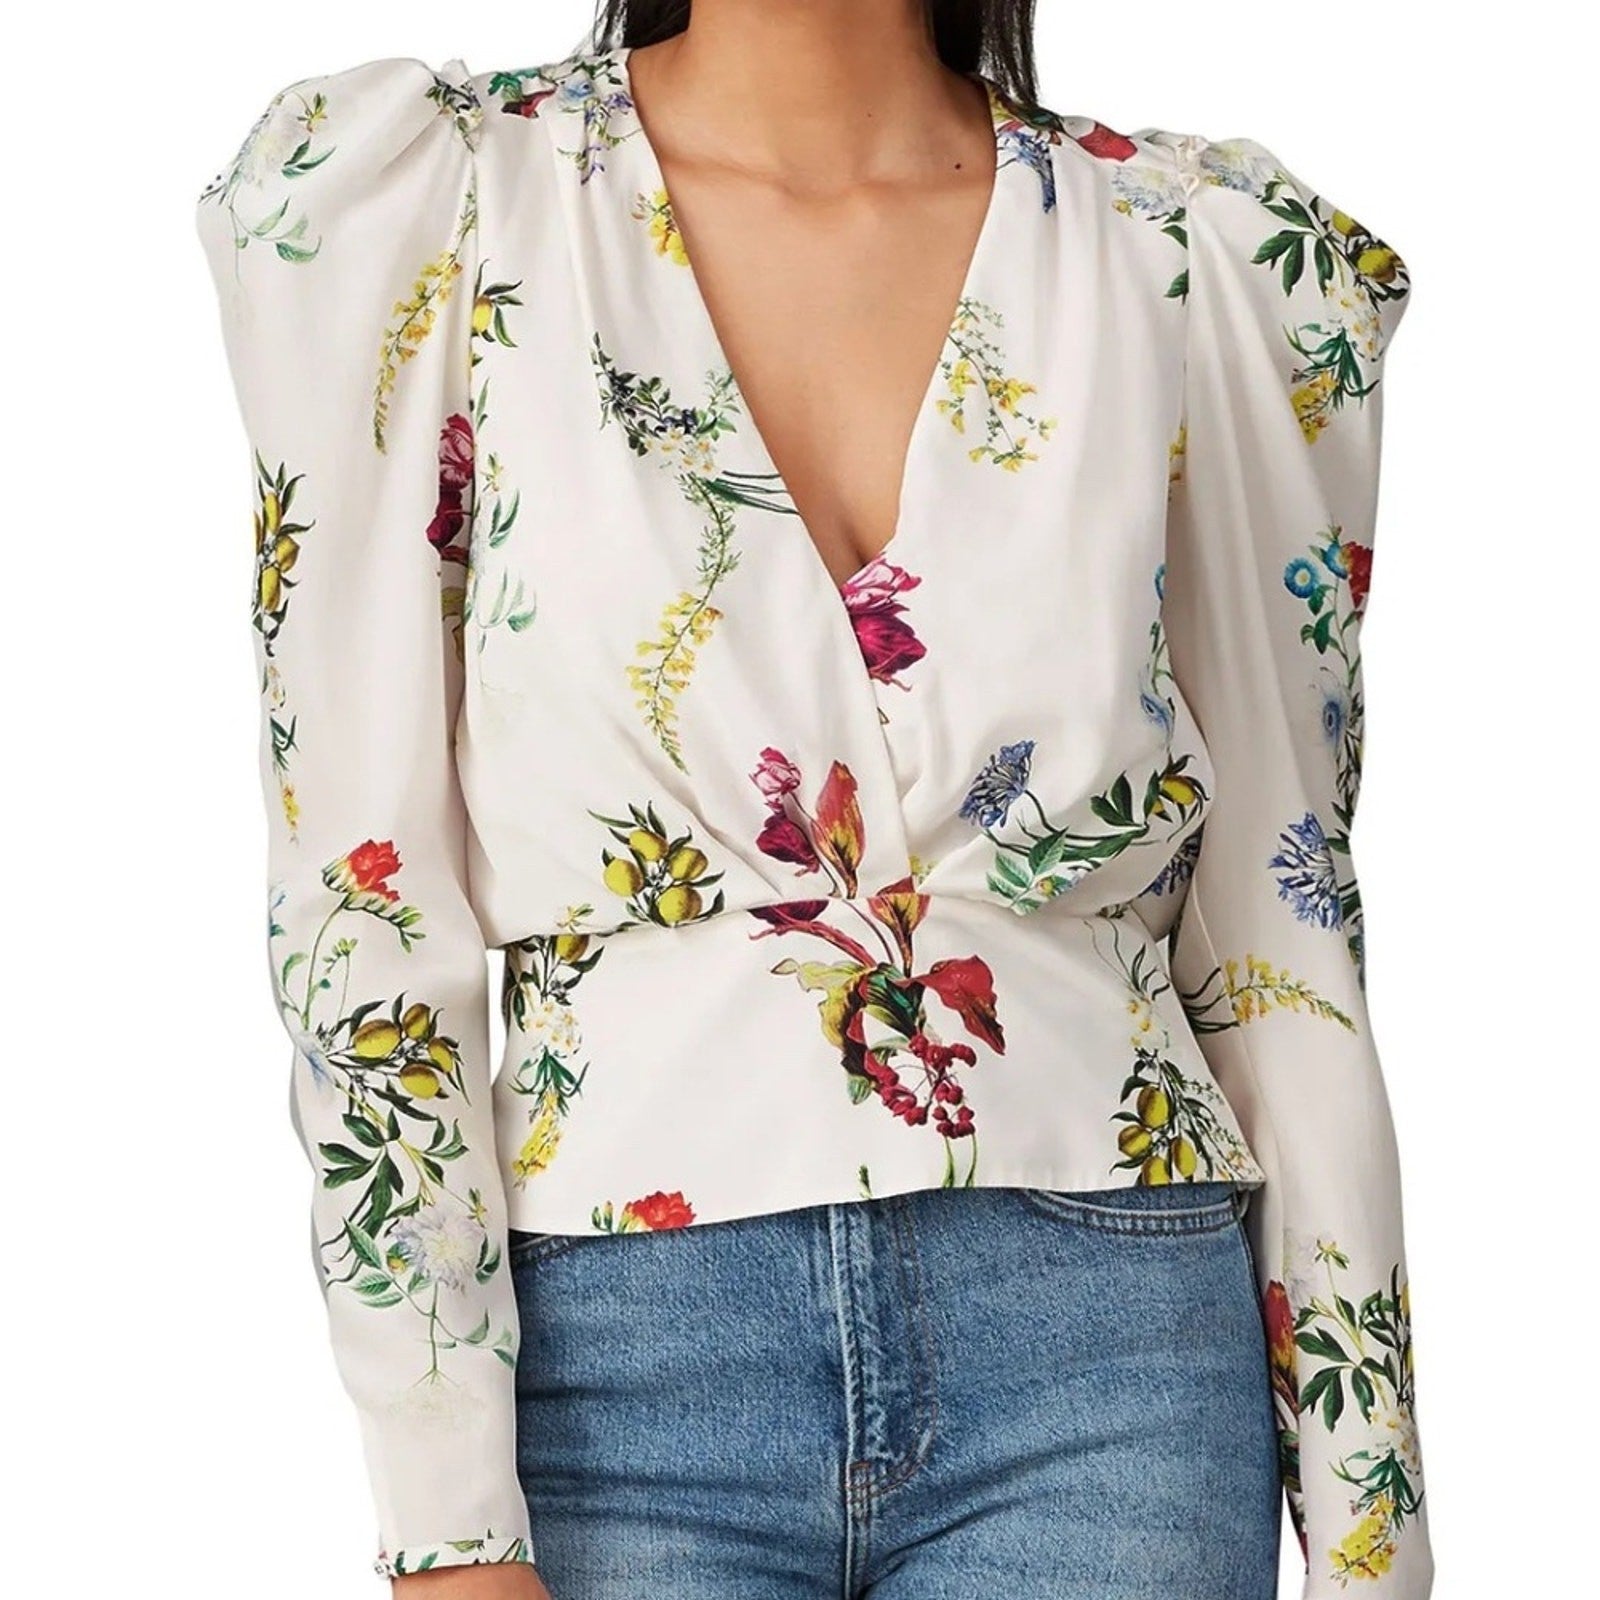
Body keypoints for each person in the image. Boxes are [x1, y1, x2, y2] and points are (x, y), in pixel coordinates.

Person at [192, 1, 1433, 1596]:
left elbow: (1285, 922)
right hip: (609, 1367)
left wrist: (1372, 1542)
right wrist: (446, 1523)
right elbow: (362, 897)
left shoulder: (1186, 252)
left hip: (1111, 1355)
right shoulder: (438, 206)